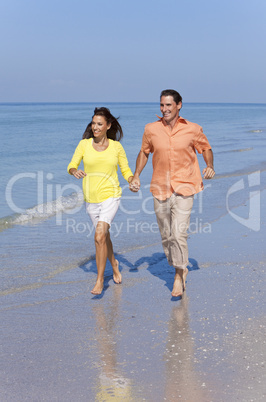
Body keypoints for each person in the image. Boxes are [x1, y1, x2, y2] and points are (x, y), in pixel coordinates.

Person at [130, 89, 215, 298]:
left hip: (186, 185)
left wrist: (209, 165)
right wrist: (136, 175)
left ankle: (179, 273)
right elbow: (144, 152)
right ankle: (179, 264)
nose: (164, 109)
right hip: (160, 187)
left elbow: (206, 148)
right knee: (167, 235)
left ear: (179, 105)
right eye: (162, 105)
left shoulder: (193, 129)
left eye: (168, 105)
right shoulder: (151, 129)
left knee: (179, 233)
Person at [68, 107, 134, 295]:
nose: (95, 127)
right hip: (91, 199)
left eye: (99, 124)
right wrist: (75, 171)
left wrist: (132, 180)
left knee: (98, 237)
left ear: (108, 126)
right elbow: (71, 165)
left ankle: (99, 281)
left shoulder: (116, 147)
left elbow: (126, 170)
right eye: (93, 123)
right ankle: (114, 263)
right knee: (104, 237)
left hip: (111, 196)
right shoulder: (84, 145)